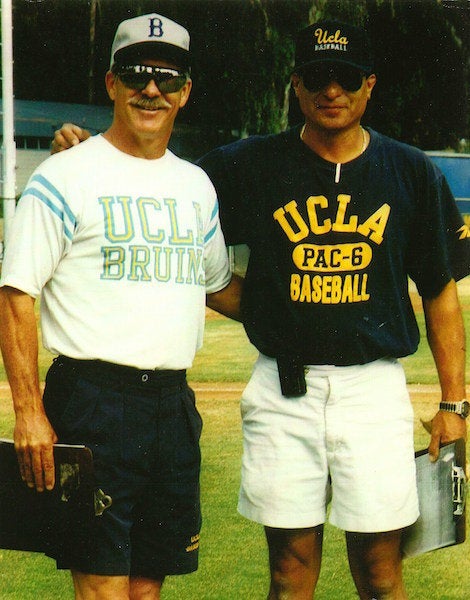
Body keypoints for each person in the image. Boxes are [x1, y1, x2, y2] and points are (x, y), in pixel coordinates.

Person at [52, 19, 470, 600]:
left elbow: (440, 290)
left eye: (346, 79)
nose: (332, 92)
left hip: (374, 390)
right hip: (283, 388)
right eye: (317, 77)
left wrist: (454, 403)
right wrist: (89, 151)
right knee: (289, 573)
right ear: (296, 85)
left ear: (370, 85)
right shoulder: (245, 164)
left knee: (381, 571)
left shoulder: (410, 170)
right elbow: (156, 181)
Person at [0, 12, 242, 600]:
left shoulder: (196, 185)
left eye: (166, 77)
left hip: (172, 407)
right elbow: (15, 295)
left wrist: (313, 314)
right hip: (93, 403)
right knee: (103, 590)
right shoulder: (64, 175)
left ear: (186, 91)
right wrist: (29, 411)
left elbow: (219, 285)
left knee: (145, 590)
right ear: (111, 84)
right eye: (136, 75)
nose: (150, 89)